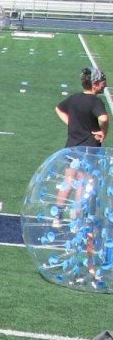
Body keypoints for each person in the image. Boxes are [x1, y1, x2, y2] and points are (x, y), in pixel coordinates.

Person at [53, 67, 108, 225]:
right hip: (89, 149)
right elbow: (103, 119)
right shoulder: (95, 101)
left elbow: (58, 108)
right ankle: (77, 219)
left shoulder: (75, 98)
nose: (105, 85)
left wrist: (71, 124)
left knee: (68, 181)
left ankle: (57, 217)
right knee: (82, 184)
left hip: (71, 147)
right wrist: (103, 132)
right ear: (95, 84)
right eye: (103, 82)